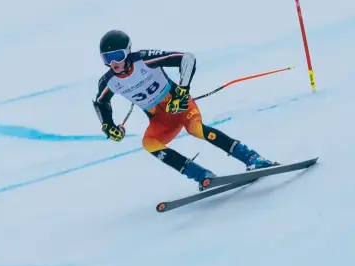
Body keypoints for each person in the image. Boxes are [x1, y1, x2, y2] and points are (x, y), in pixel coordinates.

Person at [92, 29, 278, 187]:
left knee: (196, 130)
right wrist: (109, 126)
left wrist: (182, 90)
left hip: (180, 107)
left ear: (128, 52)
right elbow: (100, 102)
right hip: (161, 121)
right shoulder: (110, 81)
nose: (113, 63)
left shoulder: (143, 59)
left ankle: (252, 158)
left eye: (118, 56)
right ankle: (202, 176)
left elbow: (187, 58)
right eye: (107, 59)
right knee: (149, 143)